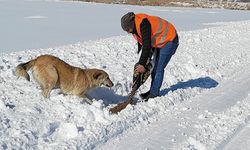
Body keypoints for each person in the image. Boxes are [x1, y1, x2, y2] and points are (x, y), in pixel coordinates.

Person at [121, 12, 179, 101]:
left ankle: (154, 94)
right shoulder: (134, 27)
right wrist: (143, 62)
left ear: (131, 24)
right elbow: (143, 42)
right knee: (154, 67)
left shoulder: (143, 24)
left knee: (158, 68)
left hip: (170, 40)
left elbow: (147, 46)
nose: (128, 32)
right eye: (126, 30)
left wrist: (142, 64)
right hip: (158, 42)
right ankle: (153, 90)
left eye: (128, 29)